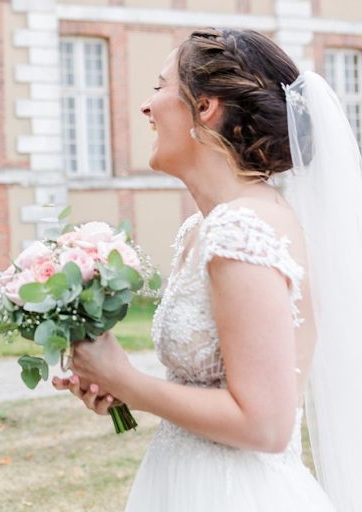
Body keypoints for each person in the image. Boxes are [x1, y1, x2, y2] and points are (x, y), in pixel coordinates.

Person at [54, 28, 362, 511]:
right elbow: (213, 389)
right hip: (185, 482)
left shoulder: (242, 228)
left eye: (160, 87)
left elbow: (265, 424)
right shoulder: (204, 226)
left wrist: (130, 383)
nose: (147, 107)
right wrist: (116, 385)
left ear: (205, 108)